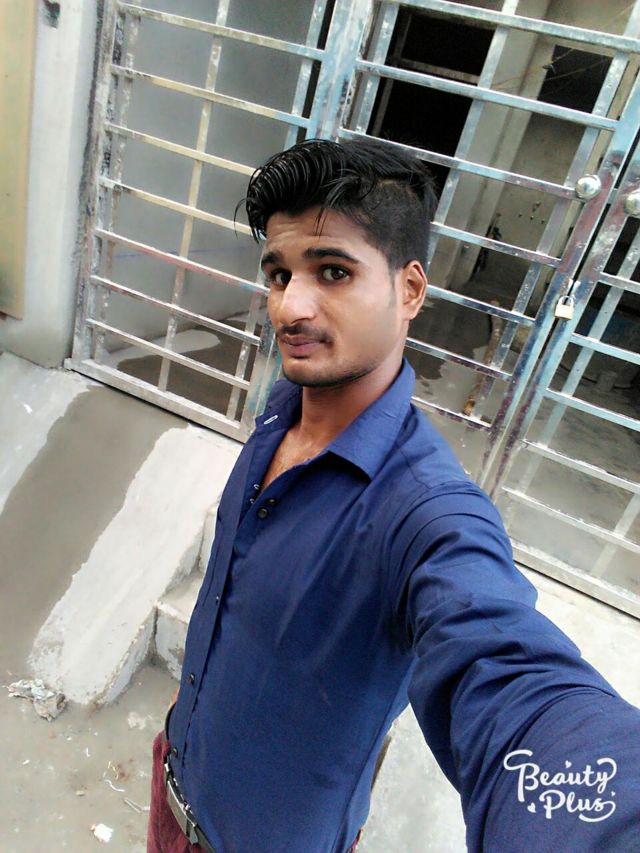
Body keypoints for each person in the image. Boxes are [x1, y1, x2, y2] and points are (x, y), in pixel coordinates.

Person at [147, 138, 640, 853]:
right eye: (279, 274)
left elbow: (513, 677)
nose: (289, 307)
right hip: (172, 784)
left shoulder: (429, 514)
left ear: (410, 290)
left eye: (334, 271)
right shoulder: (280, 413)